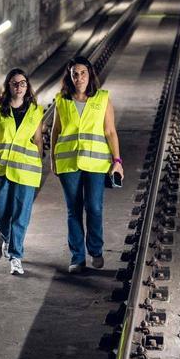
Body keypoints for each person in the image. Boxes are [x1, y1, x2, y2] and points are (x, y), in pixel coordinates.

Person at [50, 56, 124, 273]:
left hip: (97, 163)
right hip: (68, 163)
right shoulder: (61, 101)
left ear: (90, 74)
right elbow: (56, 131)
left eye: (83, 73)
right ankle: (77, 257)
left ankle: (96, 250)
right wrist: (53, 160)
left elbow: (110, 131)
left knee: (94, 207)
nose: (79, 77)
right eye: (75, 73)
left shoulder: (102, 98)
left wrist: (117, 161)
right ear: (69, 77)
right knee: (73, 210)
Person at [0, 68, 45, 276]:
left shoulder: (36, 110)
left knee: (21, 215)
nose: (19, 87)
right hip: (2, 167)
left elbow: (37, 140)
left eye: (23, 83)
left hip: (26, 170)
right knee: (0, 212)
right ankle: (9, 239)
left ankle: (15, 256)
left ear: (28, 87)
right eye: (15, 83)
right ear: (8, 86)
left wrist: (38, 161)